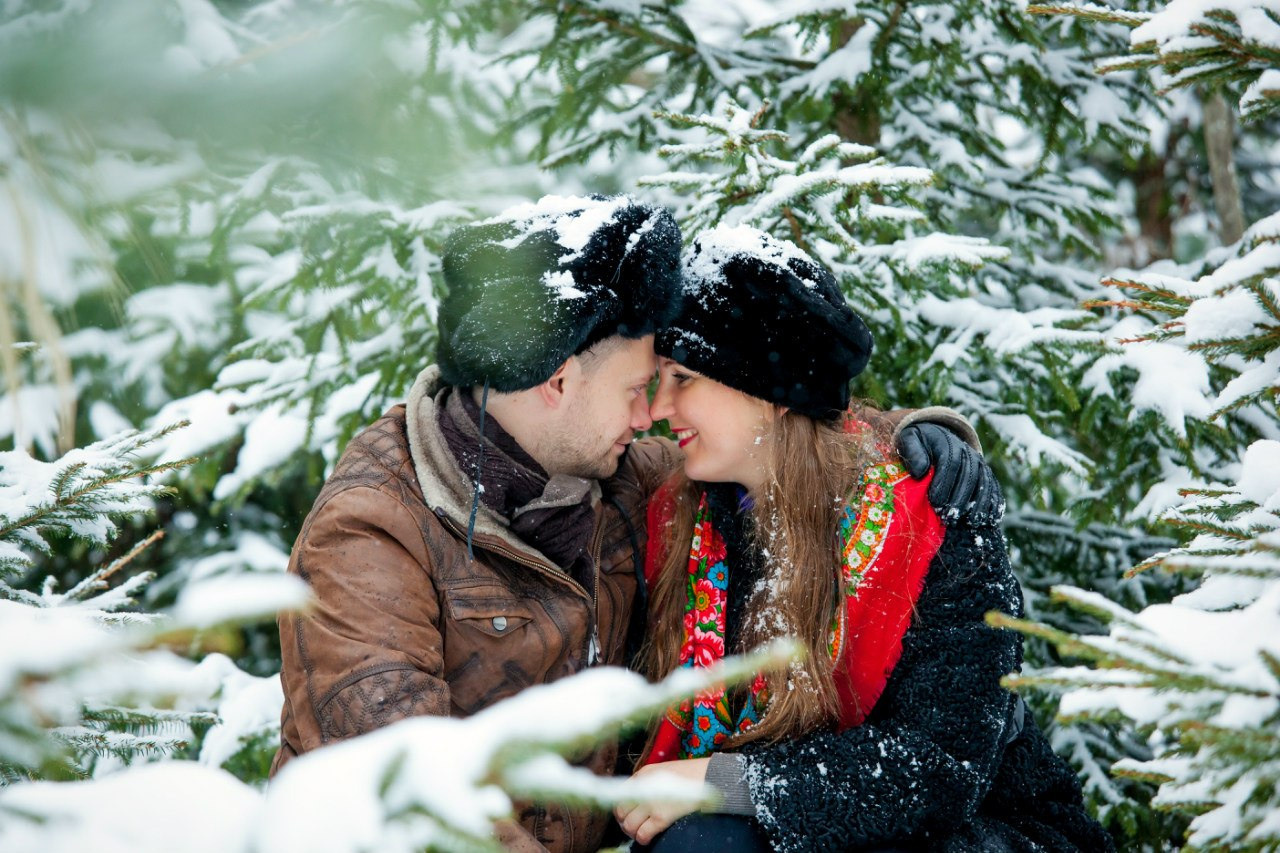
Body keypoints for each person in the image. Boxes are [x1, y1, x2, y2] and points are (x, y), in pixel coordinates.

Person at [272, 193, 996, 853]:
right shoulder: (372, 531)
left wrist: (920, 437)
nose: (650, 414)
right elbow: (423, 805)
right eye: (637, 387)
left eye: (668, 384)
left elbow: (781, 429)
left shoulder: (618, 476)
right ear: (556, 382)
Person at [614, 225, 1111, 853]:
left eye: (683, 377)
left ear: (768, 394)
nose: (660, 406)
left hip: (982, 836)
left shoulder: (932, 520)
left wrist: (725, 782)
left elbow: (940, 765)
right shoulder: (679, 514)